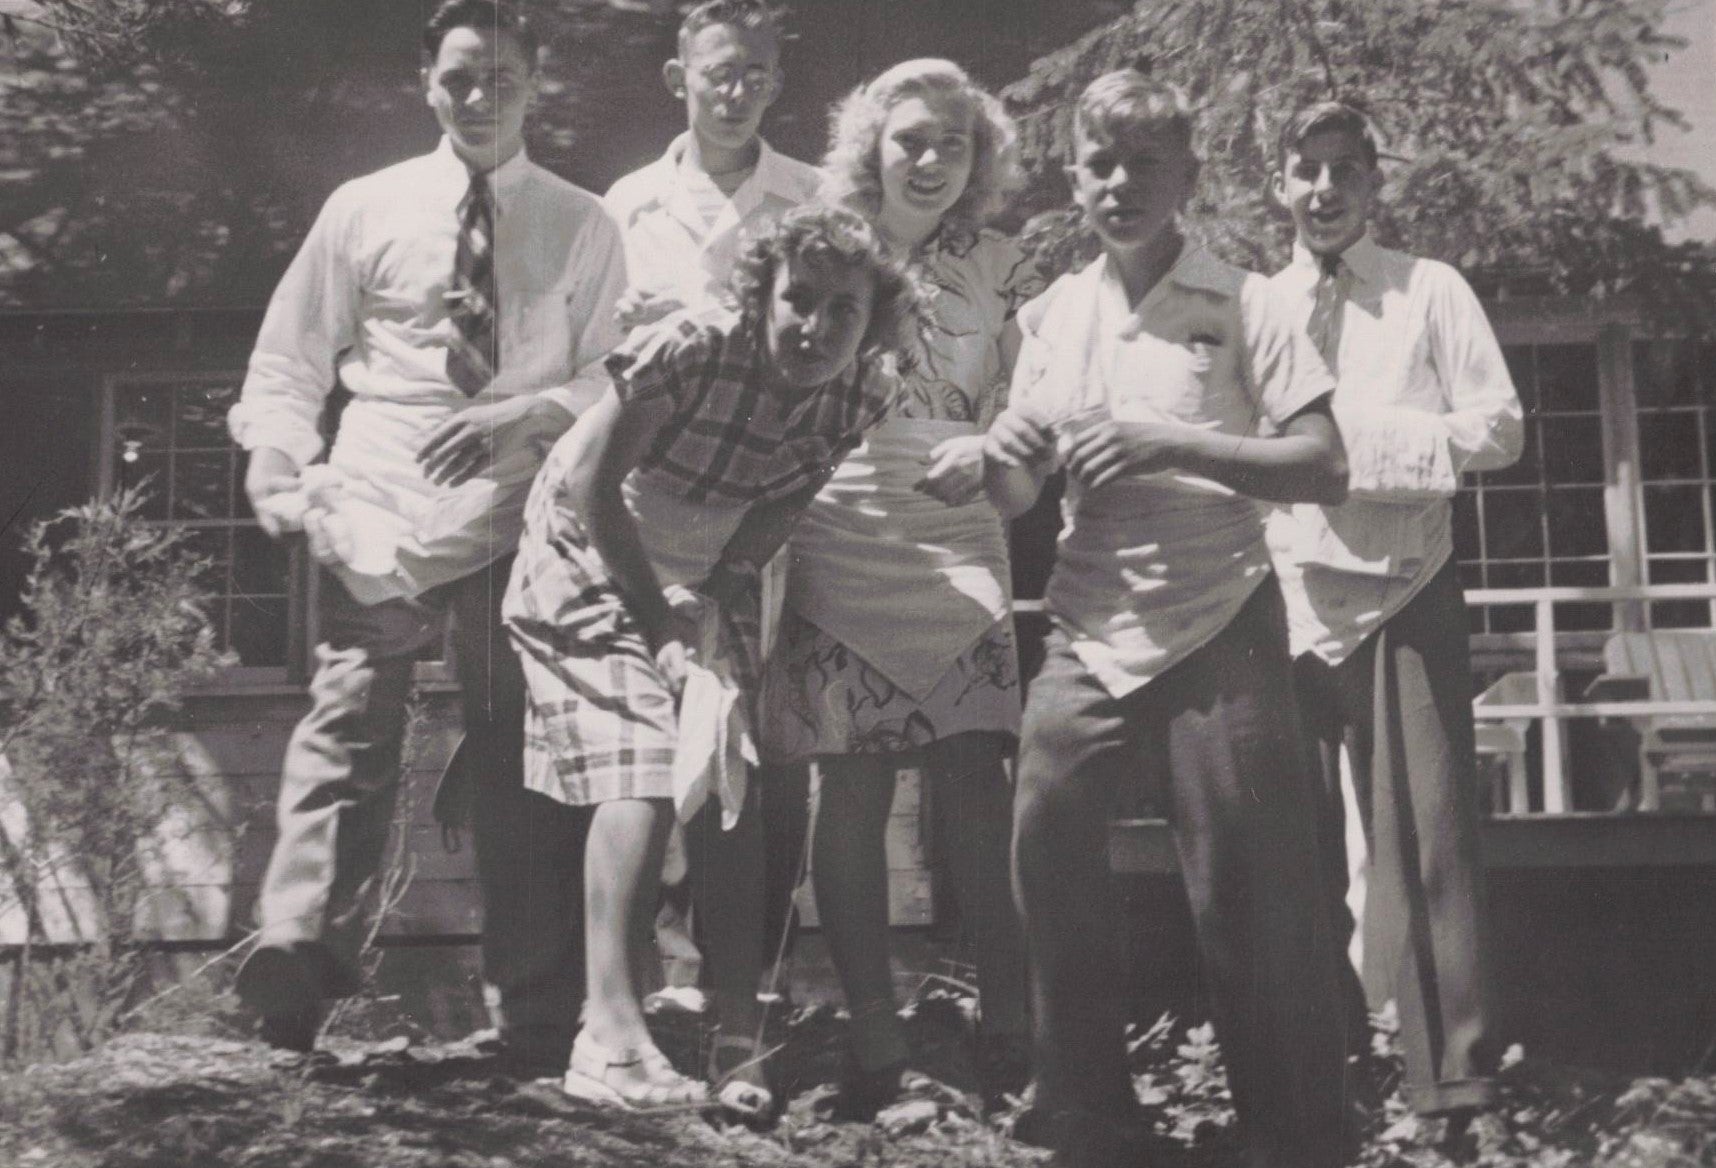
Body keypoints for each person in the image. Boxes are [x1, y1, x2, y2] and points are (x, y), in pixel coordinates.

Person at [225, 0, 627, 1068]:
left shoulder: (583, 222)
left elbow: (615, 377)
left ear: (535, 82)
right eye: (458, 77)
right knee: (351, 721)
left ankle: (535, 1013)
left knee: (517, 748)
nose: (479, 96)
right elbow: (289, 361)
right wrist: (273, 459)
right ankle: (295, 975)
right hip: (378, 503)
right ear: (426, 82)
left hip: (512, 512)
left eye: (500, 75)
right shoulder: (366, 208)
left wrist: (526, 411)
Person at [984, 70, 1351, 1168]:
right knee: (1045, 833)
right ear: (1075, 176)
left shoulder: (1249, 303)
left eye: (1146, 163)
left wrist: (1168, 441)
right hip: (1088, 623)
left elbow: (1326, 466)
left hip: (1220, 618)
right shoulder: (1049, 315)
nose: (1121, 183)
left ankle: (1292, 1133)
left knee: (1248, 882)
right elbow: (1020, 496)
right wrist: (1005, 465)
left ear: (1186, 178)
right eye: (1101, 161)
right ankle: (1089, 1111)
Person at [503, 205, 919, 1115]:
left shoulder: (865, 390)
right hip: (585, 541)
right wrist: (658, 624)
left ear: (872, 322)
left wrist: (721, 594)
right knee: (645, 761)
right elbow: (591, 485)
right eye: (796, 300)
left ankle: (737, 1033)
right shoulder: (688, 347)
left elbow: (789, 499)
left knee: (724, 777)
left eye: (843, 311)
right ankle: (604, 1035)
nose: (815, 328)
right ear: (759, 294)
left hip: (700, 562)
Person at [758, 57, 1036, 1116]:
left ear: (978, 160)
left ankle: (1010, 1024)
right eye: (909, 139)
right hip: (839, 515)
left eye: (951, 144)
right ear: (869, 143)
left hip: (960, 516)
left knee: (975, 777)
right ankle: (875, 1038)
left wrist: (998, 451)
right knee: (853, 782)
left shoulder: (1003, 264)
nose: (929, 160)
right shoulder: (827, 245)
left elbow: (1030, 400)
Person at [1265, 100, 1523, 1134]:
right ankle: (1319, 1073)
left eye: (1344, 170)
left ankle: (1456, 1083)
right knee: (1292, 845)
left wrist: (1362, 447)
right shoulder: (1254, 305)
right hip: (1282, 589)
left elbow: (1498, 429)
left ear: (1375, 183)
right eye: (1304, 169)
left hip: (1405, 583)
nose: (1323, 190)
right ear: (1277, 183)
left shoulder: (1430, 291)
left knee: (1428, 840)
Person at [602, 0, 821, 1015]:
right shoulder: (627, 207)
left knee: (757, 743)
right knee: (649, 734)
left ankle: (747, 978)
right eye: (719, 72)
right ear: (678, 76)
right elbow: (593, 366)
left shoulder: (811, 200)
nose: (737, 94)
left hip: (763, 504)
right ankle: (648, 982)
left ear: (778, 81)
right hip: (647, 509)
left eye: (758, 76)